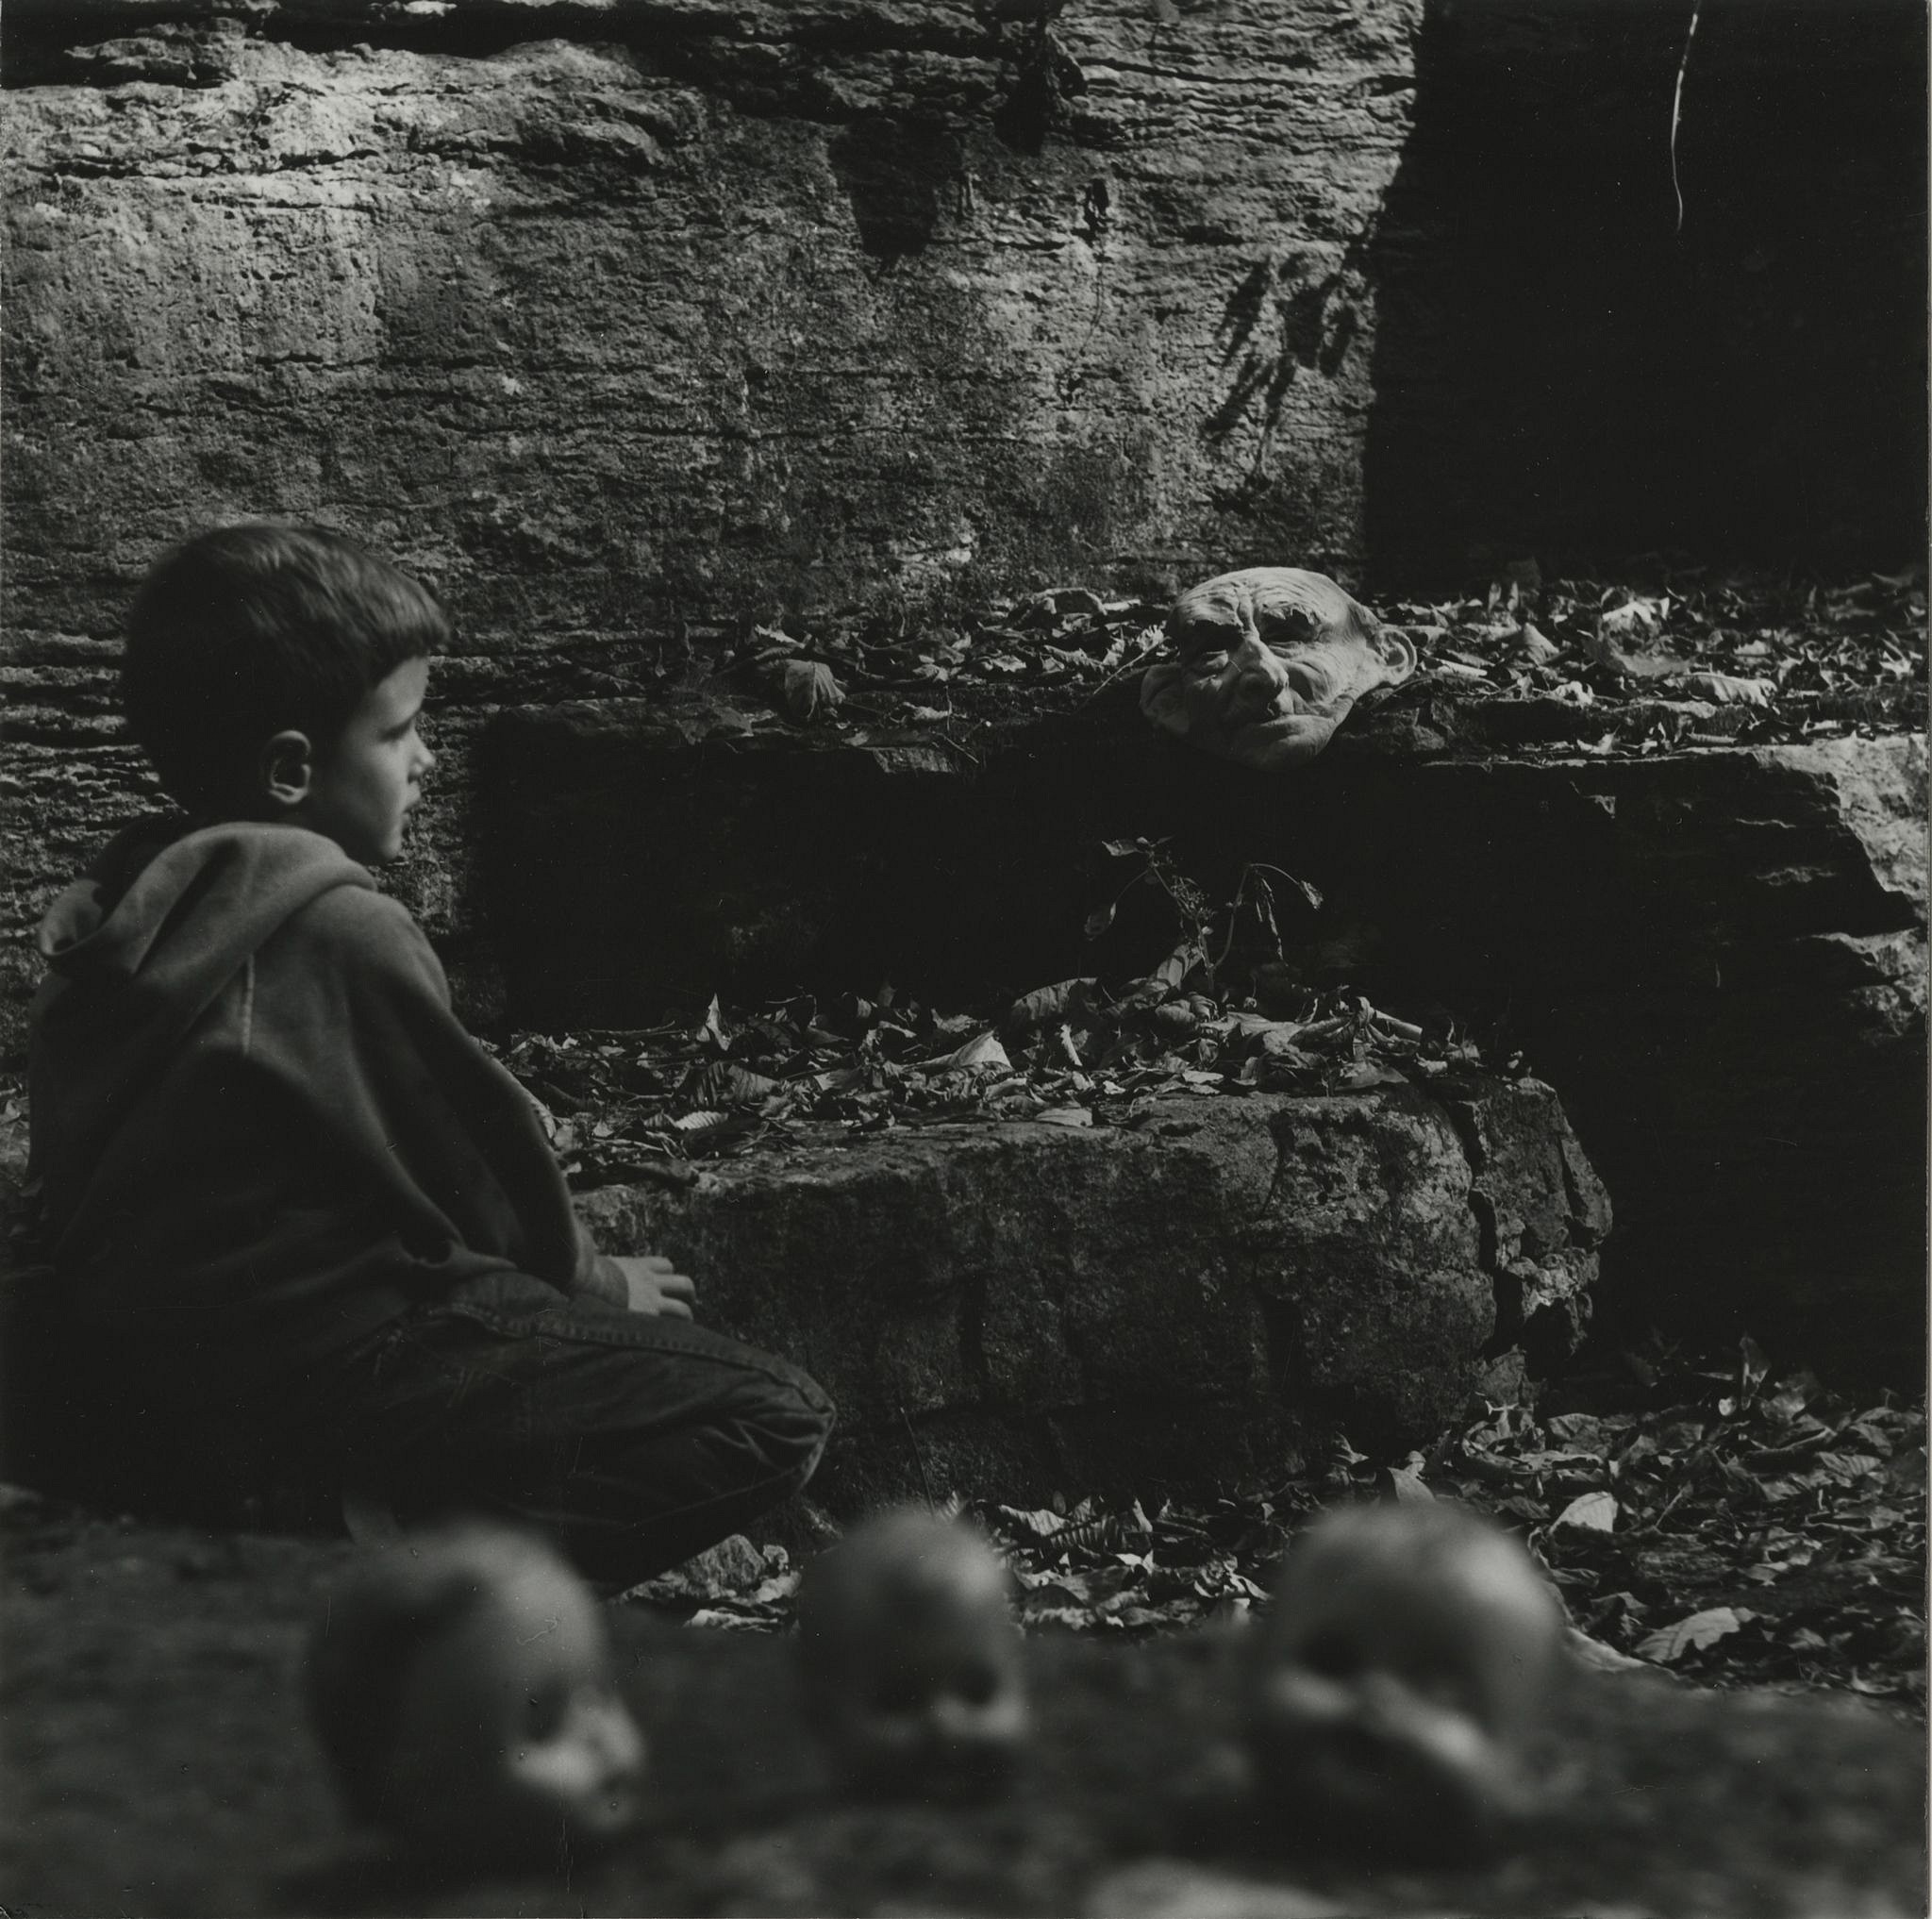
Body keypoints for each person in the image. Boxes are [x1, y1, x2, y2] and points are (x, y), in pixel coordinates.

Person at [21, 522, 833, 1584]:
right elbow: (475, 1160)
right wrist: (595, 1280)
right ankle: (403, 1577)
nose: (427, 759)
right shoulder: (337, 927)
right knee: (777, 1415)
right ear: (291, 769)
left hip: (166, 1367)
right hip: (328, 1352)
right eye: (400, 730)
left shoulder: (122, 918)